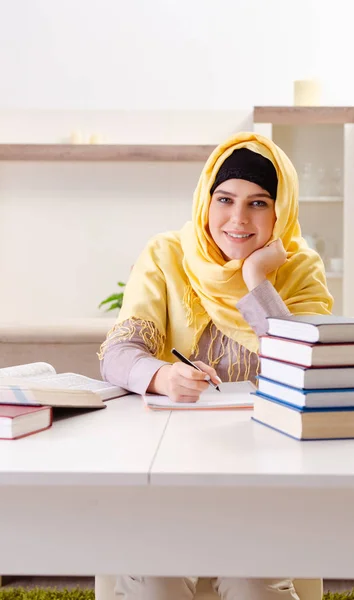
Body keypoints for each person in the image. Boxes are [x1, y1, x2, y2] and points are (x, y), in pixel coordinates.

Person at [98, 132, 333, 600]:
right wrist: (163, 376)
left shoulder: (299, 266)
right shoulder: (167, 255)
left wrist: (254, 279)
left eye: (259, 203)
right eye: (224, 199)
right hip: (166, 469)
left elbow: (308, 366)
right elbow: (118, 354)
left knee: (255, 585)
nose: (238, 219)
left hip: (266, 471)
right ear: (206, 200)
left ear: (281, 209)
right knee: (154, 583)